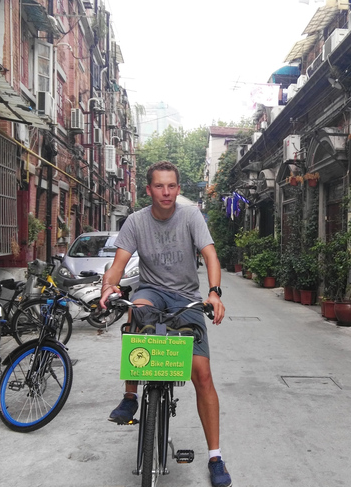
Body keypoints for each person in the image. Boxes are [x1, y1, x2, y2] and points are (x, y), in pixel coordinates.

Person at [98, 161, 231, 487]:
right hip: (152, 293)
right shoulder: (136, 221)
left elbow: (210, 255)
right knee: (136, 307)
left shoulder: (191, 217)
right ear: (149, 190)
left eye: (172, 185)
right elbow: (118, 265)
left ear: (178, 188)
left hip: (185, 296)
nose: (166, 192)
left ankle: (215, 455)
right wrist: (108, 286)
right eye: (159, 186)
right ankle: (131, 396)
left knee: (202, 373)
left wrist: (213, 293)